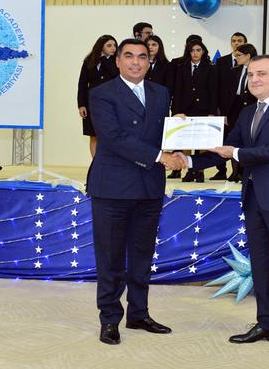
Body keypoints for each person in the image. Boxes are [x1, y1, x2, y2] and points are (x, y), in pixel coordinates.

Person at [179, 55, 269, 355]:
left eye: (261, 74)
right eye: (250, 75)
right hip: (254, 198)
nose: (254, 79)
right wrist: (189, 157)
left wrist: (236, 153)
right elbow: (225, 147)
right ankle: (268, 323)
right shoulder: (248, 111)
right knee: (261, 265)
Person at [87, 38, 185, 345]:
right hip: (112, 187)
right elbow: (113, 138)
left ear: (149, 61)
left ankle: (139, 313)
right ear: (117, 61)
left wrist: (179, 129)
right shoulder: (101, 93)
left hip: (149, 186)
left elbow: (158, 135)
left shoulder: (161, 92)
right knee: (111, 257)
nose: (136, 62)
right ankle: (109, 318)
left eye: (142, 56)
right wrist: (160, 156)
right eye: (129, 56)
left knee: (142, 255)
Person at [172, 39, 219, 183]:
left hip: (204, 109)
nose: (195, 53)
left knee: (202, 141)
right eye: (192, 50)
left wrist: (212, 112)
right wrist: (176, 111)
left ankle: (199, 171)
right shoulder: (182, 67)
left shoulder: (210, 68)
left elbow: (213, 91)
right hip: (186, 110)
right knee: (186, 141)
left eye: (198, 50)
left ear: (203, 51)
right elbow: (178, 91)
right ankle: (189, 170)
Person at [211, 32, 248, 181]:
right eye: (234, 41)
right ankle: (225, 171)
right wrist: (220, 110)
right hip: (227, 106)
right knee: (227, 139)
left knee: (244, 139)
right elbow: (217, 86)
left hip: (246, 105)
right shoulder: (222, 61)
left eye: (240, 41)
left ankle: (242, 171)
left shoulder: (254, 64)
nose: (236, 43)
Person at [77, 35, 118, 157]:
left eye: (114, 45)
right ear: (101, 46)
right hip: (91, 103)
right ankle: (95, 163)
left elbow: (116, 75)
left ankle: (108, 163)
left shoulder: (117, 60)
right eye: (109, 45)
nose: (113, 48)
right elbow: (82, 83)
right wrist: (81, 104)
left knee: (109, 135)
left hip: (110, 104)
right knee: (93, 135)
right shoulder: (89, 61)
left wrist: (105, 60)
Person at [222, 43, 258, 182]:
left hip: (251, 106)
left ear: (248, 55)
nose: (236, 57)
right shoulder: (234, 70)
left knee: (248, 139)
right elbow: (226, 93)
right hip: (234, 108)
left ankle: (246, 171)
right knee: (234, 139)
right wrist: (225, 112)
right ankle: (235, 171)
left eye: (238, 55)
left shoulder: (258, 70)